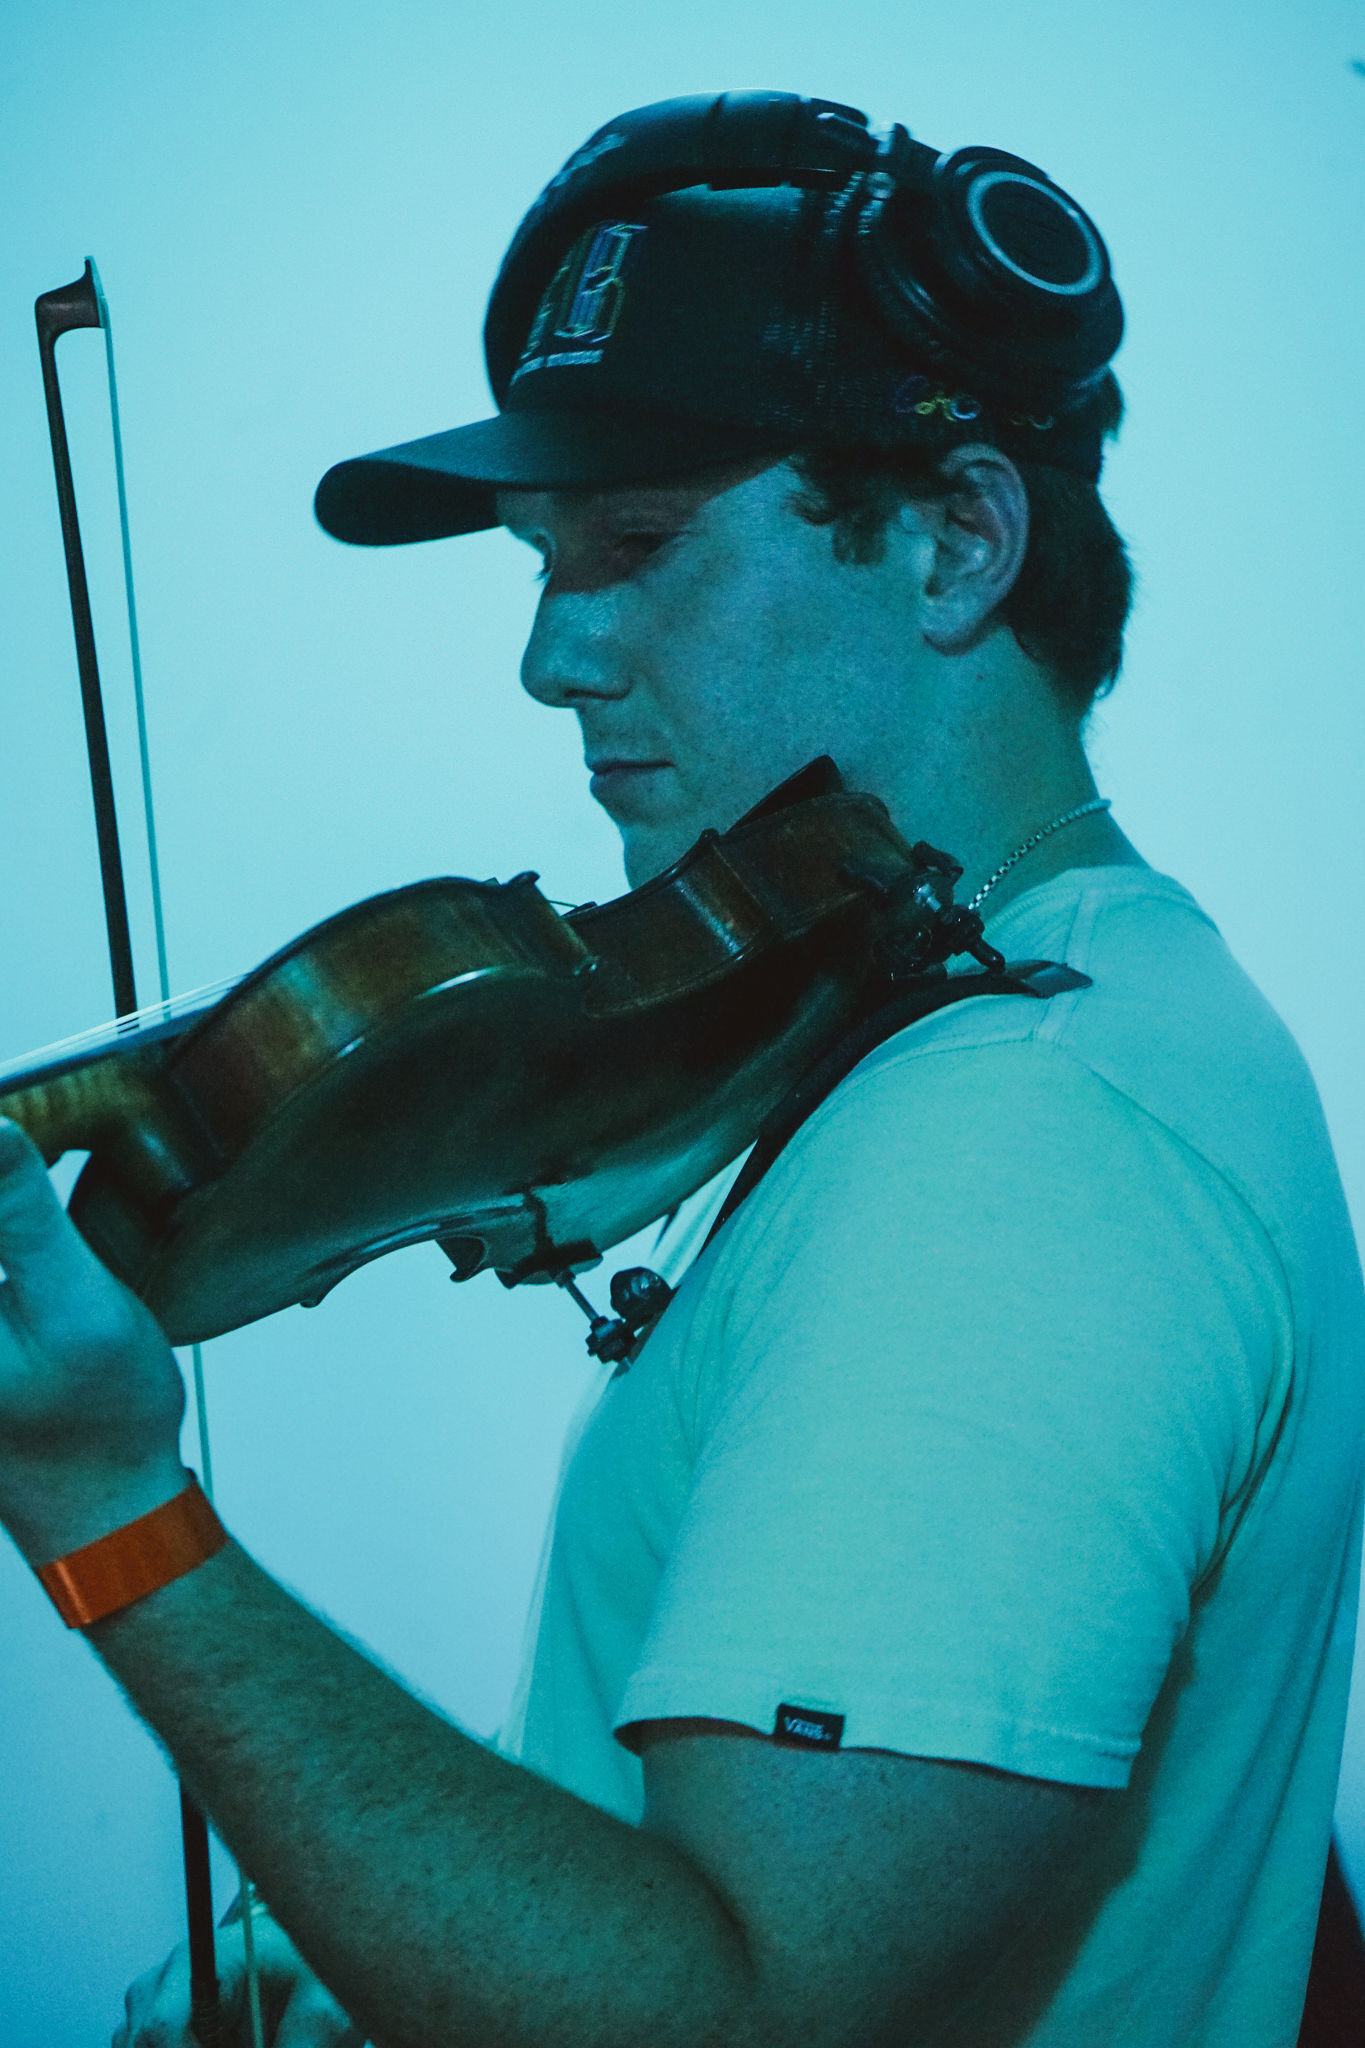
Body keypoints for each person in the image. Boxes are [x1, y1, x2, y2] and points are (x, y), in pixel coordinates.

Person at [0, 90, 1359, 2048]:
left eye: (639, 543)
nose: (552, 655)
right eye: (543, 560)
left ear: (956, 541)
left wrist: (115, 1515)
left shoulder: (1025, 1144)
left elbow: (743, 2008)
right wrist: (359, 1950)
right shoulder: (1003, 1028)